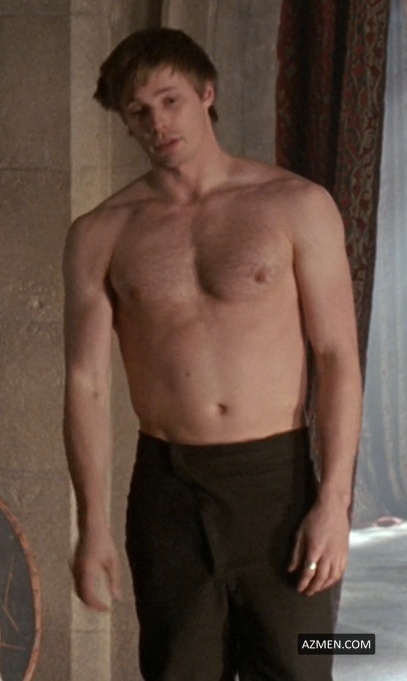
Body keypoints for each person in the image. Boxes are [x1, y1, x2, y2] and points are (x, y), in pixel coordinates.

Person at [63, 27, 362, 681]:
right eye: (138, 110)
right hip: (167, 489)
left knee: (304, 663)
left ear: (206, 93)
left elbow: (338, 355)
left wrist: (335, 506)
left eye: (169, 100)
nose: (156, 122)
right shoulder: (99, 234)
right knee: (178, 670)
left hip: (276, 484)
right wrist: (91, 527)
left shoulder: (297, 205)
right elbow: (86, 383)